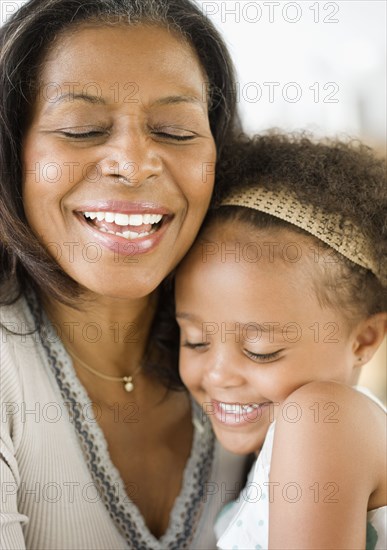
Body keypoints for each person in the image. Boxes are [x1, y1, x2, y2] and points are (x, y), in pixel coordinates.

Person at [0, 1, 248, 548]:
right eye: (81, 128)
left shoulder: (260, 347)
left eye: (176, 131)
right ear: (12, 155)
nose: (133, 164)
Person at [175, 133, 387, 549]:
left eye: (260, 350)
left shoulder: (321, 417)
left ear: (363, 340)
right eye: (196, 341)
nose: (217, 374)